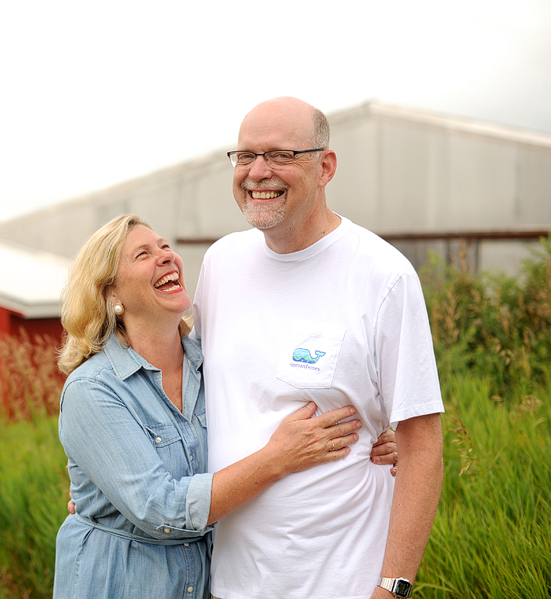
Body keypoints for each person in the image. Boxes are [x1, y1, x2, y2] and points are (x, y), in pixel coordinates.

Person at [53, 214, 396, 599]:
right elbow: (160, 510)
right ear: (111, 295)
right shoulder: (93, 389)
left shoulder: (211, 365)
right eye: (143, 255)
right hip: (119, 584)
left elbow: (267, 413)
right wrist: (278, 457)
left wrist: (372, 439)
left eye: (165, 246)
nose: (166, 257)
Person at [191, 97, 444, 599]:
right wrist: (106, 478)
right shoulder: (221, 264)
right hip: (226, 583)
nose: (257, 172)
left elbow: (421, 443)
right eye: (245, 156)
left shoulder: (382, 275)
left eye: (280, 155)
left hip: (340, 583)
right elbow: (182, 397)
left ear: (325, 166)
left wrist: (391, 588)